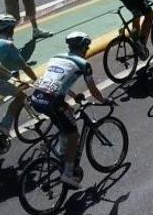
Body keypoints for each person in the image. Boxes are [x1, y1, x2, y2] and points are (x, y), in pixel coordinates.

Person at [29, 31, 108, 188]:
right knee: (73, 135)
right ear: (84, 47)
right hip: (52, 101)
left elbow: (57, 81)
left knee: (68, 113)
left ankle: (51, 147)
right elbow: (93, 91)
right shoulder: (83, 64)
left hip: (37, 97)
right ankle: (68, 172)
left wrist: (72, 95)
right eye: (87, 47)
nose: (87, 50)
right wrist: (105, 100)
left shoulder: (56, 57)